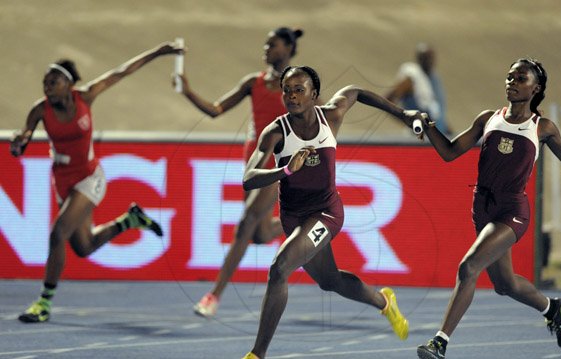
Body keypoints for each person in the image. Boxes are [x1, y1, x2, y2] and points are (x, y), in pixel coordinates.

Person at [416, 58, 561, 358]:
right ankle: (552, 308)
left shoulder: (542, 127)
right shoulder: (488, 118)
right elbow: (450, 153)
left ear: (536, 87)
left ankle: (440, 341)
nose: (511, 82)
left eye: (521, 78)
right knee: (505, 285)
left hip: (511, 210)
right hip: (482, 207)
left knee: (468, 267)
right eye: (510, 77)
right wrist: (429, 126)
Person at [240, 66, 423, 359]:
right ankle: (384, 302)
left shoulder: (332, 116)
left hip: (326, 212)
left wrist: (404, 114)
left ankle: (256, 354)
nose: (292, 96)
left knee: (279, 269)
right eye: (287, 90)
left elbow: (357, 91)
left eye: (299, 89)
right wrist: (285, 169)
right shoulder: (276, 131)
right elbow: (248, 177)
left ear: (314, 94)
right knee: (330, 281)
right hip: (293, 217)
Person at [10, 42, 183, 323]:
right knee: (84, 247)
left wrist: (159, 52)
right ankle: (130, 221)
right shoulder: (39, 110)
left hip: (89, 178)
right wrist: (18, 146)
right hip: (62, 181)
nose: (47, 86)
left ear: (68, 84)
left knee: (58, 234)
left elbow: (123, 71)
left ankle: (43, 303)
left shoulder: (86, 97)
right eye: (45, 82)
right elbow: (23, 140)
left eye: (53, 81)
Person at [175, 27, 304, 317]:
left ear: (288, 49)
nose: (266, 48)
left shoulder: (298, 86)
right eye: (266, 43)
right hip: (253, 160)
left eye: (272, 44)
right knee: (258, 234)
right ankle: (303, 224)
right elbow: (215, 109)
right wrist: (187, 91)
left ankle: (213, 296)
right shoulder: (252, 82)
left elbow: (317, 117)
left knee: (246, 223)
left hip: (279, 162)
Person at [385, 43, 450, 135]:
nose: (428, 61)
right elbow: (387, 100)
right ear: (419, 59)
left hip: (438, 136)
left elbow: (436, 112)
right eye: (425, 58)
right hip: (419, 136)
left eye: (430, 57)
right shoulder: (411, 79)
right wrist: (408, 120)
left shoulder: (434, 78)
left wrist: (448, 130)